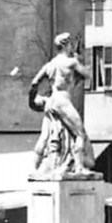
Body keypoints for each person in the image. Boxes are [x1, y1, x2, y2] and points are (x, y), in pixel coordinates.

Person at [29, 32, 96, 176]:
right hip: (63, 99)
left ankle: (34, 167)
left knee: (45, 135)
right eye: (71, 44)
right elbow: (88, 75)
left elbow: (34, 82)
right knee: (79, 133)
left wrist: (35, 99)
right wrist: (79, 59)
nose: (72, 46)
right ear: (66, 45)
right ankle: (79, 167)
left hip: (51, 100)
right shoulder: (71, 62)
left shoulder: (50, 65)